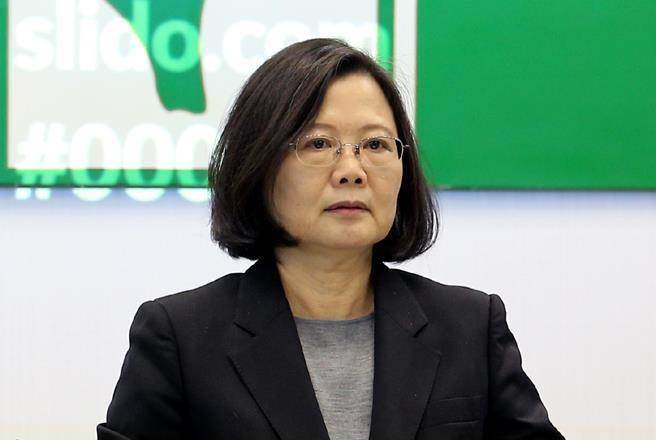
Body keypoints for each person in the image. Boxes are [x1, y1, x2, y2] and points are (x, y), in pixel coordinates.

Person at [97, 38, 565, 440]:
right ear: (258, 164)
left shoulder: (470, 327)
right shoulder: (179, 338)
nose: (352, 171)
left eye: (376, 145)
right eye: (319, 143)